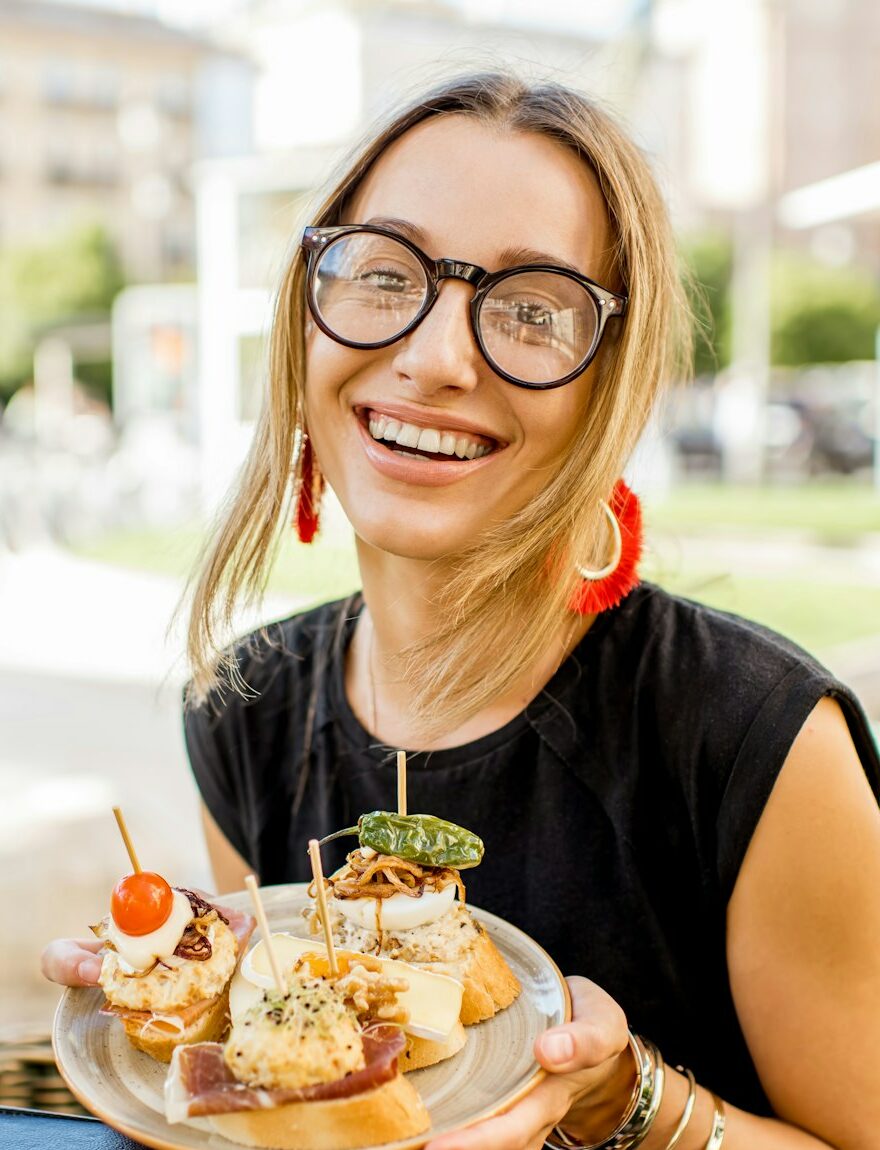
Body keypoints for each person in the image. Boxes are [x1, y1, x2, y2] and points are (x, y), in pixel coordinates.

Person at [42, 72, 880, 1150]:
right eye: (383, 273)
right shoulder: (241, 710)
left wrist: (628, 1103)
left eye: (532, 309)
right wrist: (183, 1008)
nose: (436, 358)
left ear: (607, 386)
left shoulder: (756, 738)